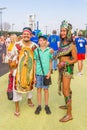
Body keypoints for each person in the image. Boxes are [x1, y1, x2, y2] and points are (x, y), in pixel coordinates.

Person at [8, 27, 38, 116]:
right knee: (16, 89)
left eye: (28, 34)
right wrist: (11, 68)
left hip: (30, 70)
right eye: (25, 34)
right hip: (18, 71)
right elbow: (10, 56)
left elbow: (36, 59)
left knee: (30, 86)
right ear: (22, 34)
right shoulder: (17, 44)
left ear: (31, 35)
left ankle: (29, 100)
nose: (26, 35)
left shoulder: (34, 46)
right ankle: (17, 107)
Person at [57, 20, 77, 122]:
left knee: (65, 91)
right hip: (62, 69)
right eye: (61, 30)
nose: (62, 32)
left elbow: (75, 59)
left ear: (68, 31)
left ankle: (69, 114)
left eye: (64, 30)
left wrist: (64, 64)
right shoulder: (61, 43)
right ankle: (67, 105)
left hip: (67, 69)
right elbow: (60, 55)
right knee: (67, 89)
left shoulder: (71, 45)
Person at [34, 36, 53, 114]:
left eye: (42, 40)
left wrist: (49, 72)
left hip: (46, 74)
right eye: (39, 40)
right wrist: (34, 75)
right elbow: (35, 63)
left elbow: (50, 62)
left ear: (46, 41)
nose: (40, 42)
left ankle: (46, 105)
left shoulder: (49, 50)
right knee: (38, 90)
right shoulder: (36, 50)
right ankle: (39, 106)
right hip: (38, 73)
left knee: (46, 90)